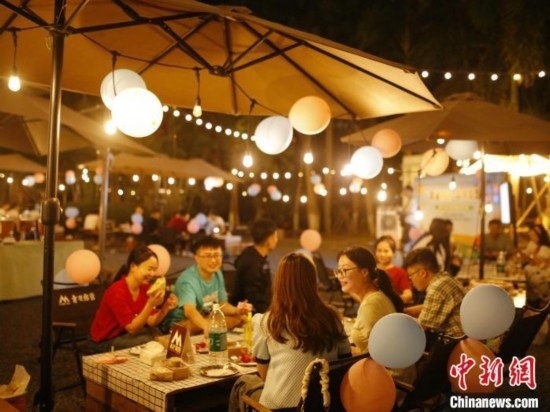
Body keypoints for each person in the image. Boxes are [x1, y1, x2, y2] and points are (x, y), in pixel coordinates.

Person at [228, 253, 351, 411]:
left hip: (279, 408)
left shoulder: (266, 322)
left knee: (243, 382)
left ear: (279, 283)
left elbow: (264, 375)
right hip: (324, 406)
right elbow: (344, 362)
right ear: (312, 282)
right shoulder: (332, 318)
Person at [88, 245, 178, 352]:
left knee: (156, 332)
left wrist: (165, 307)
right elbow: (132, 328)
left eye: (154, 270)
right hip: (105, 341)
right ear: (133, 266)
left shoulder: (144, 288)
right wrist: (150, 304)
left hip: (124, 335)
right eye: (149, 269)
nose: (152, 274)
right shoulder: (117, 291)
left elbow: (151, 321)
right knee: (148, 341)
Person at [162, 235, 248, 335]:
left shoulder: (217, 274)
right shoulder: (187, 280)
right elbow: (189, 311)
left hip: (205, 318)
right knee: (215, 323)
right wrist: (206, 326)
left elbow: (222, 304)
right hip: (179, 325)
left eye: (216, 255)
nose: (213, 260)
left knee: (240, 317)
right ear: (197, 258)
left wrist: (237, 311)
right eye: (208, 256)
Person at [336, 245, 404, 354]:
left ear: (364, 272)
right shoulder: (373, 297)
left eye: (345, 270)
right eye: (339, 271)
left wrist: (355, 352)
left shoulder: (371, 304)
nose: (340, 276)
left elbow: (381, 353)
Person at [403, 247, 465, 340]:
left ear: (423, 273)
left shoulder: (436, 289)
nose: (410, 280)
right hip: (464, 336)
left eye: (410, 276)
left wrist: (399, 319)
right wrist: (407, 311)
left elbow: (421, 327)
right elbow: (431, 307)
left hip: (454, 342)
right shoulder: (444, 277)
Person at [231, 218, 278, 313]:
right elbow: (253, 296)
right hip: (248, 313)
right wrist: (271, 311)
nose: (276, 240)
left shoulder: (255, 256)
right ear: (268, 240)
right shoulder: (251, 262)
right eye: (275, 237)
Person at [374, 235, 413, 304]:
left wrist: (394, 301)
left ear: (394, 253)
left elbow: (408, 294)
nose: (382, 254)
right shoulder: (371, 269)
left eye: (386, 251)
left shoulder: (400, 272)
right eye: (379, 250)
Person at [521, 224, 550, 306]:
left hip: (545, 271)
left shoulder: (545, 248)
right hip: (536, 269)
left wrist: (531, 258)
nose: (531, 237)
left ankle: (542, 298)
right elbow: (526, 254)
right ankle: (532, 299)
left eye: (533, 235)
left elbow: (542, 264)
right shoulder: (532, 244)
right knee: (526, 270)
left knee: (529, 271)